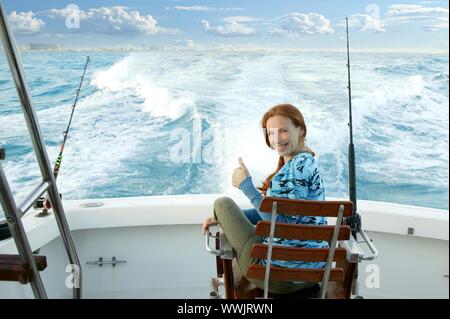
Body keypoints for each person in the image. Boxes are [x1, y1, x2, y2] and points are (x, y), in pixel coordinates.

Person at [202, 103, 327, 295]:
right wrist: (235, 218)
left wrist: (246, 186)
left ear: (301, 129)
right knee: (246, 225)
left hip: (278, 278)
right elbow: (279, 215)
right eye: (271, 133)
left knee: (222, 204)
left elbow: (279, 222)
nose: (276, 139)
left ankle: (224, 282)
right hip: (313, 273)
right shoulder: (307, 163)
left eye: (283, 130)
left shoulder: (294, 170)